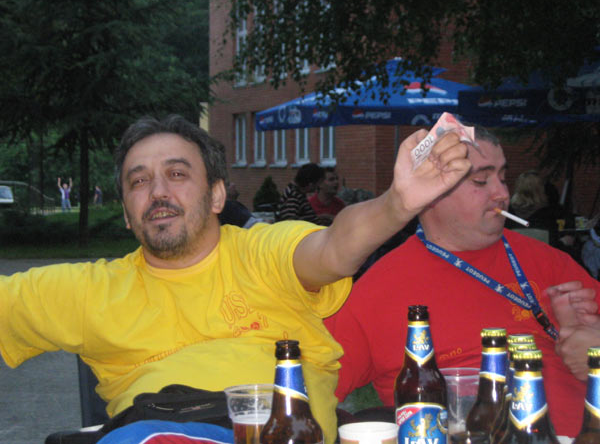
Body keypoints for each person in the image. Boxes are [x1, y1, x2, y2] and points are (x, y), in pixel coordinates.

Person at [0, 114, 471, 444]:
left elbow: (333, 248)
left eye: (177, 173)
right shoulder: (90, 291)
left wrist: (395, 205)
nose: (158, 191)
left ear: (217, 195)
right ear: (126, 211)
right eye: (138, 181)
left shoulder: (261, 253)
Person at [325, 125, 600, 438]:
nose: (502, 193)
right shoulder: (375, 292)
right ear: (430, 193)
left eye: (503, 177)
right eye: (481, 180)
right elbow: (306, 388)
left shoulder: (549, 262)